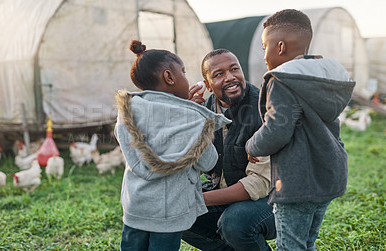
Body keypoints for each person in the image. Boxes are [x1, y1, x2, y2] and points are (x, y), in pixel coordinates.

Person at [245, 9, 356, 251]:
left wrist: (251, 145)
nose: (264, 55)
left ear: (281, 47)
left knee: (290, 246)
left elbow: (277, 128)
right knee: (306, 243)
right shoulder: (324, 78)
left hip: (297, 181)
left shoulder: (283, 80)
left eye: (265, 46)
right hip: (329, 174)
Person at [114, 40, 230, 251]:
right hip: (171, 212)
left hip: (136, 206)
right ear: (169, 77)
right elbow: (208, 162)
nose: (186, 78)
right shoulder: (191, 117)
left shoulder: (128, 111)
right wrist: (192, 114)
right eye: (183, 72)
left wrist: (182, 105)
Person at [183, 49, 276, 251]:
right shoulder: (203, 111)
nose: (230, 77)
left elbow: (259, 184)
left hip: (271, 200)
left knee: (235, 222)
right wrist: (188, 119)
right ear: (207, 85)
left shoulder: (265, 108)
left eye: (235, 69)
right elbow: (187, 163)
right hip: (224, 193)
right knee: (176, 211)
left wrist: (199, 199)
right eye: (219, 74)